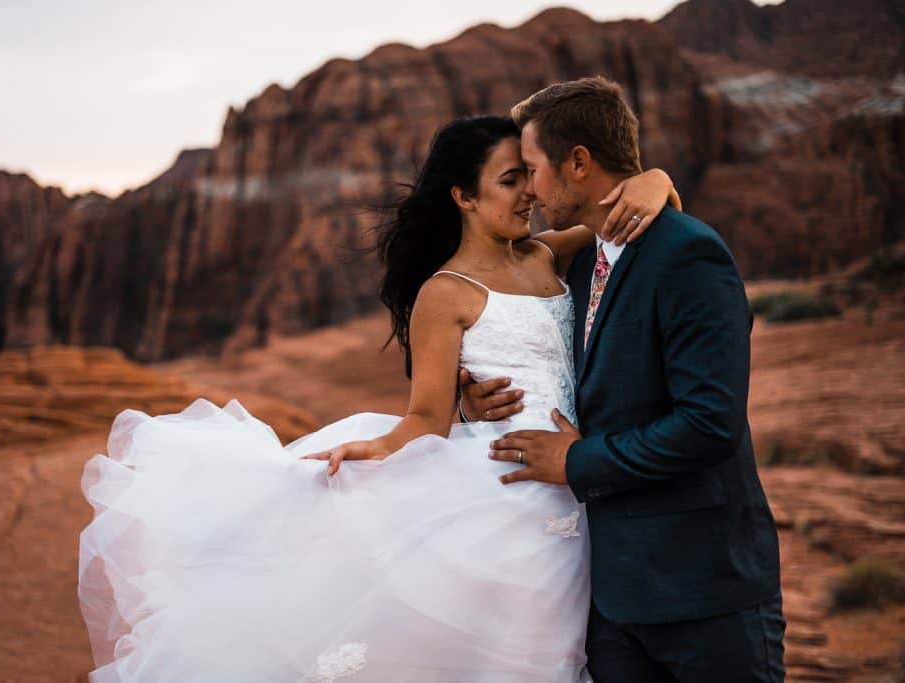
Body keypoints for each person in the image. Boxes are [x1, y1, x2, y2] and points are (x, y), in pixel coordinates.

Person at [78, 114, 677, 682]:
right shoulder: (444, 294)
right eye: (509, 180)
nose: (530, 194)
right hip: (511, 497)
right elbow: (426, 416)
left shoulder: (550, 252)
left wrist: (656, 179)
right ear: (464, 197)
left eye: (529, 176)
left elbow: (629, 215)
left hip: (581, 480)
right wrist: (374, 447)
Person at [473, 77, 785, 681]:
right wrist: (475, 389)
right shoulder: (583, 258)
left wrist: (577, 462)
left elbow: (709, 423)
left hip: (706, 597)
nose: (531, 189)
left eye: (533, 168)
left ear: (580, 163)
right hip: (611, 603)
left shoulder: (688, 254)